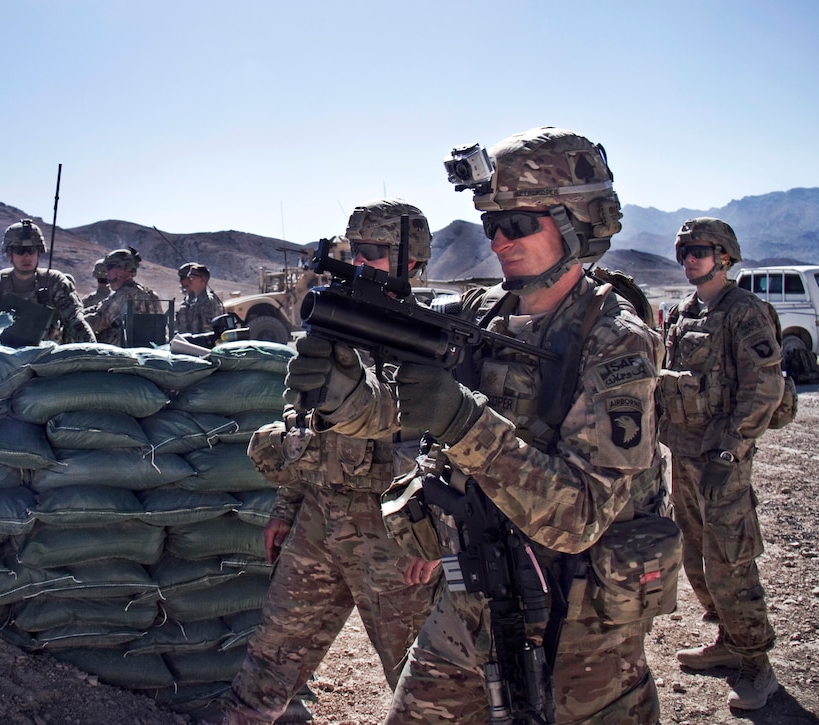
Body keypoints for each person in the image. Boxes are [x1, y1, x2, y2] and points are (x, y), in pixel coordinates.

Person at [285, 128, 668, 723]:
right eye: (491, 227)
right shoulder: (481, 312)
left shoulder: (615, 339)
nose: (499, 241)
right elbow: (400, 409)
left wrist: (462, 420)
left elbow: (580, 516)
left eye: (518, 225)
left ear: (576, 223)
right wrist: (344, 396)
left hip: (578, 620)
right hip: (470, 598)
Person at [203, 200, 440, 725]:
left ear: (412, 262)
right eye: (355, 250)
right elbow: (303, 424)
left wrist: (434, 532)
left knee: (421, 683)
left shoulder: (437, 341)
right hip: (320, 517)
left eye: (374, 252)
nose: (359, 262)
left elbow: (451, 445)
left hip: (394, 532)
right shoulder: (334, 325)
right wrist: (288, 505)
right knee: (270, 659)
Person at [660, 217, 783, 710]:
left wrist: (731, 450)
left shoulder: (746, 311)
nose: (690, 259)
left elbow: (764, 389)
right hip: (685, 453)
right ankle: (728, 641)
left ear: (725, 257)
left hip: (722, 458)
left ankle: (757, 663)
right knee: (694, 555)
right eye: (684, 251)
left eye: (701, 251)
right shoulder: (684, 310)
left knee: (730, 561)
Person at [0, 219, 94, 344]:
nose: (26, 256)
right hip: (2, 356)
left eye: (31, 250)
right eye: (19, 250)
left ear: (39, 253)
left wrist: (93, 352)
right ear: (9, 255)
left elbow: (76, 322)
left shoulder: (55, 282)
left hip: (47, 357)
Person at [83, 246, 163, 346]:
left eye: (109, 268)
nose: (106, 273)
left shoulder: (126, 294)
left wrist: (77, 322)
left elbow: (99, 320)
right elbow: (99, 308)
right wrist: (78, 314)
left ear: (122, 269)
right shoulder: (150, 294)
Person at [176, 262, 225, 334]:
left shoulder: (208, 302)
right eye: (189, 277)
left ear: (203, 279)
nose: (189, 281)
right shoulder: (193, 302)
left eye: (192, 278)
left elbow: (209, 332)